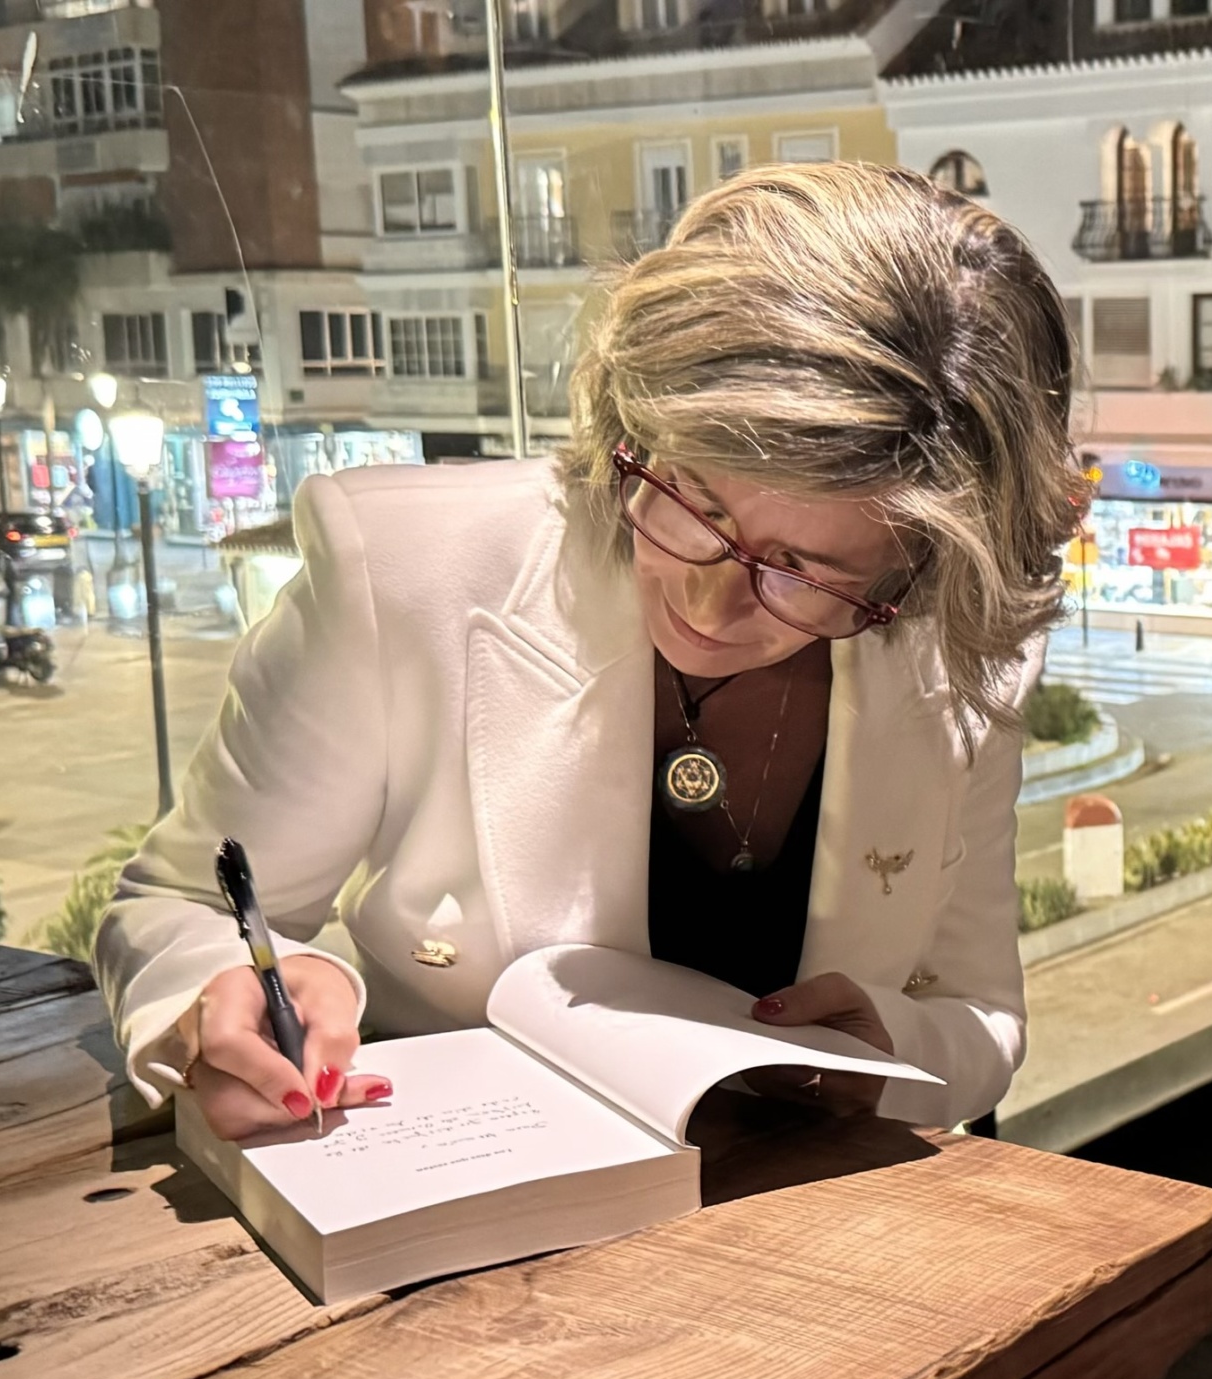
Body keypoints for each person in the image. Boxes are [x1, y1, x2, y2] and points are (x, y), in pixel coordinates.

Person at [96, 164, 1083, 1140]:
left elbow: (979, 1013)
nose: (707, 598)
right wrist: (231, 992)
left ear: (916, 577)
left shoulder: (958, 649)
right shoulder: (401, 571)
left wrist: (888, 1056)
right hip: (471, 1198)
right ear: (635, 423)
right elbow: (179, 903)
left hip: (802, 1199)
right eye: (692, 501)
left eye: (805, 572)